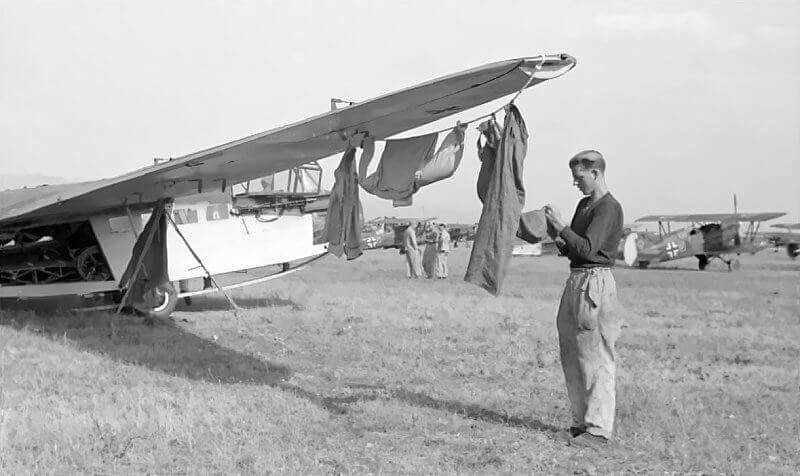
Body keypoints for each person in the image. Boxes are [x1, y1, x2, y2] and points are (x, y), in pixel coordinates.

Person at [543, 150, 624, 447]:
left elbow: (589, 249)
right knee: (573, 354)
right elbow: (573, 249)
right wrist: (557, 234)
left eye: (579, 177)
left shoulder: (609, 208)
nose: (575, 183)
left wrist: (563, 226)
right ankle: (581, 423)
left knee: (596, 355)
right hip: (577, 279)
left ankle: (598, 430)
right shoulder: (584, 205)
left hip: (595, 282)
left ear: (596, 173)